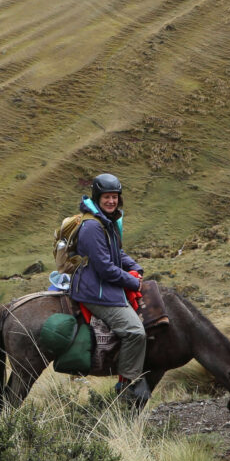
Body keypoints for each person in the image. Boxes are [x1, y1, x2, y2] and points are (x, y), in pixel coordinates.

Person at [69, 173, 149, 405]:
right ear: (97, 197)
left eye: (115, 197)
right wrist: (133, 282)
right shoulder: (93, 226)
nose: (111, 201)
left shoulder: (107, 221)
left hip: (101, 284)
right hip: (95, 290)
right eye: (107, 197)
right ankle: (127, 387)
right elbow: (105, 268)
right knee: (135, 332)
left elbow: (117, 253)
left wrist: (135, 267)